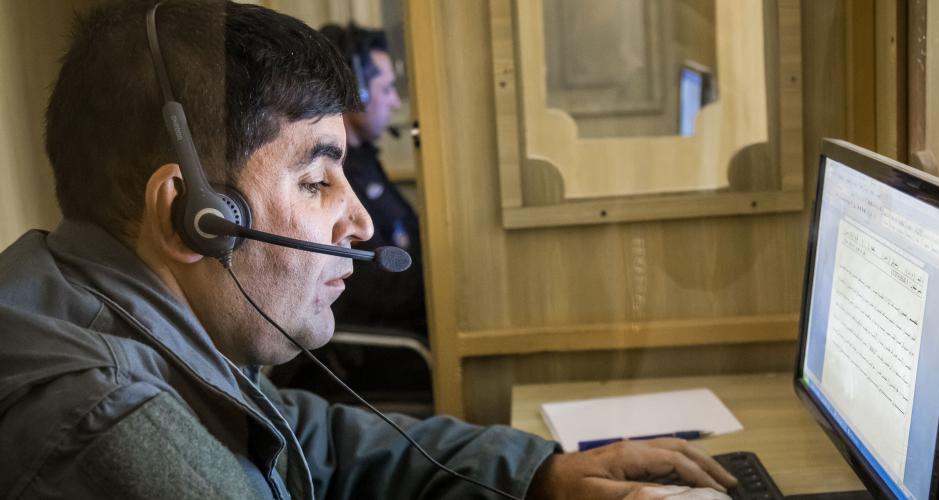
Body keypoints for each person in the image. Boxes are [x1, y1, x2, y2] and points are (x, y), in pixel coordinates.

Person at [0, 1, 736, 499]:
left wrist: (540, 474)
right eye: (317, 181)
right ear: (195, 218)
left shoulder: (114, 312)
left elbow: (308, 437)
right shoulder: (109, 428)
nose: (357, 223)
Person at [320, 24, 426, 336]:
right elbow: (381, 290)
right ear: (358, 90)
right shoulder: (335, 176)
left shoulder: (365, 159)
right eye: (387, 89)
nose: (394, 102)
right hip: (381, 344)